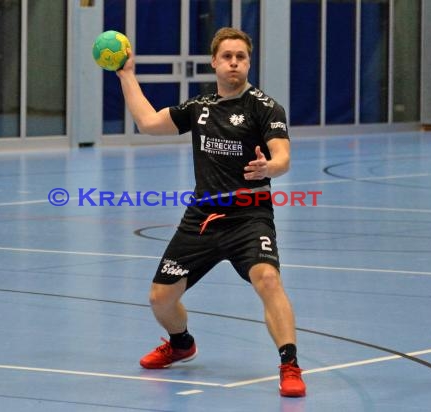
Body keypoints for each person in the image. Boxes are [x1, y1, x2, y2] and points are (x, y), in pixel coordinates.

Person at [115, 27, 306, 397]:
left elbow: (282, 156)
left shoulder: (265, 108)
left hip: (249, 217)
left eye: (241, 57)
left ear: (248, 63)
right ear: (215, 63)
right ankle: (181, 344)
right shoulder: (199, 108)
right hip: (202, 217)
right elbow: (148, 123)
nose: (234, 63)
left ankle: (290, 365)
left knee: (268, 280)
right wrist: (126, 75)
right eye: (228, 57)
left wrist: (270, 168)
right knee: (160, 298)